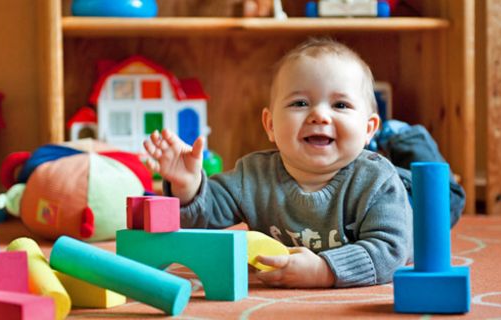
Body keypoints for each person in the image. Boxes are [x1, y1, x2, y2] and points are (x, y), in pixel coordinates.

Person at [143, 38, 413, 289]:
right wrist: (188, 185)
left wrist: (323, 270)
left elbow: (390, 251)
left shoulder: (377, 181)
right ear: (270, 125)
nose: (319, 115)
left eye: (340, 105)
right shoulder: (252, 176)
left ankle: (408, 138)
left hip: (411, 197)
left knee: (442, 197)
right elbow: (205, 215)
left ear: (369, 129)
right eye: (300, 103)